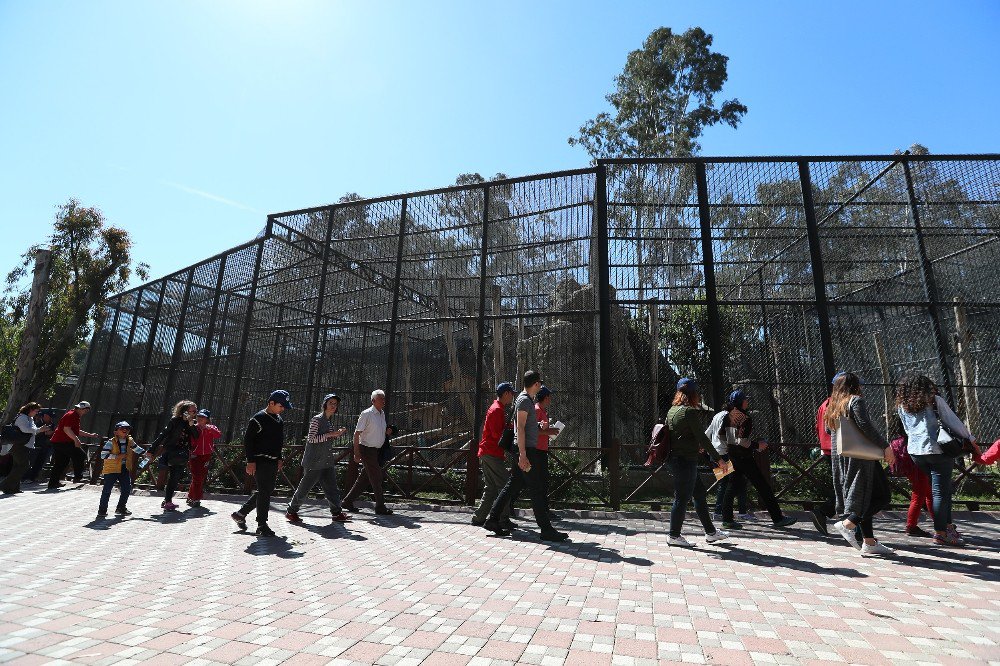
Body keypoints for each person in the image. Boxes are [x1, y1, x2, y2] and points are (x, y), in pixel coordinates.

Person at [483, 371, 568, 542]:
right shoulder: (523, 400)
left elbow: (524, 424)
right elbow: (519, 428)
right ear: (536, 384)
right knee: (536, 488)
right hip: (525, 450)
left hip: (524, 449)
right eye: (540, 384)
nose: (540, 387)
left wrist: (537, 424)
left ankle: (492, 519)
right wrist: (522, 454)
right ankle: (546, 529)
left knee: (513, 484)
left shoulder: (525, 400)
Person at [896, 374, 978, 547]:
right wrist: (970, 439)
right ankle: (941, 533)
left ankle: (947, 528)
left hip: (916, 453)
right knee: (940, 492)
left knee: (943, 490)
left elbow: (907, 429)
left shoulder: (902, 406)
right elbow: (953, 422)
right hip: (938, 450)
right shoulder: (934, 401)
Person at [825, 372, 895, 557]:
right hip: (862, 457)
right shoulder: (855, 401)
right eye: (859, 385)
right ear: (853, 386)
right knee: (882, 496)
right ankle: (849, 524)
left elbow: (827, 429)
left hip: (843, 456)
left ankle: (869, 542)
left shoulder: (832, 405)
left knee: (868, 497)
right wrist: (885, 447)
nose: (861, 388)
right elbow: (865, 426)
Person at [717, 390, 797, 531]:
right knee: (763, 486)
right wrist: (757, 445)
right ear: (741, 402)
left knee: (731, 487)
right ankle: (778, 518)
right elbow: (741, 440)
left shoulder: (728, 416)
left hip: (732, 456)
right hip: (745, 458)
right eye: (745, 399)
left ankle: (727, 520)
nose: (747, 401)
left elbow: (723, 437)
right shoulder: (745, 418)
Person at [663, 378, 729, 547]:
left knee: (699, 494)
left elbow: (677, 436)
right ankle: (674, 535)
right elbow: (702, 437)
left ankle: (711, 533)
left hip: (677, 459)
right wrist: (719, 459)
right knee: (682, 498)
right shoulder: (689, 412)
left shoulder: (672, 410)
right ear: (693, 394)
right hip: (685, 461)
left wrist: (693, 445)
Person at [232, 390, 292, 536]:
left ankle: (241, 513)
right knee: (265, 491)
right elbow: (248, 441)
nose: (283, 409)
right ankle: (261, 525)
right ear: (271, 403)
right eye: (281, 405)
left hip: (272, 460)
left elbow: (279, 441)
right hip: (260, 461)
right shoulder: (257, 419)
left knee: (266, 491)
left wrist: (279, 458)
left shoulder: (279, 419)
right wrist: (250, 461)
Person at [286, 393, 350, 524]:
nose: (333, 406)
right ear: (325, 404)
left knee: (332, 488)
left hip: (326, 461)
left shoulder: (328, 421)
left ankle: (337, 513)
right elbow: (311, 439)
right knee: (305, 488)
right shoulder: (317, 419)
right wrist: (330, 434)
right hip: (314, 461)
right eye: (331, 403)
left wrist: (337, 434)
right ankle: (291, 511)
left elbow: (327, 438)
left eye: (335, 404)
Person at [471, 383, 515, 526]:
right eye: (511, 393)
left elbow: (499, 430)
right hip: (492, 452)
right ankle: (503, 519)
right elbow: (497, 434)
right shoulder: (497, 410)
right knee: (505, 485)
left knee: (490, 488)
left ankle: (479, 518)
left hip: (487, 451)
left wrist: (509, 428)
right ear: (506, 394)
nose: (513, 396)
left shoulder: (497, 408)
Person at [342, 390, 392, 515]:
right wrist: (356, 452)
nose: (383, 401)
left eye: (384, 398)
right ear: (373, 400)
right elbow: (357, 433)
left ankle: (347, 501)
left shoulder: (382, 414)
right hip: (366, 449)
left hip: (376, 451)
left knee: (364, 479)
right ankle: (380, 506)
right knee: (377, 477)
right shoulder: (367, 414)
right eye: (381, 399)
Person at [146, 400, 199, 511]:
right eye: (193, 411)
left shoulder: (191, 423)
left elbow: (196, 436)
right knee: (173, 475)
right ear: (185, 411)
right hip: (172, 451)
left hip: (183, 453)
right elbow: (163, 435)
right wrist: (151, 449)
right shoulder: (175, 421)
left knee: (175, 477)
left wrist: (191, 424)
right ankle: (168, 501)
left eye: (195, 411)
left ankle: (167, 500)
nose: (195, 413)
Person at [47, 401, 99, 489]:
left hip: (59, 441)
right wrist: (76, 440)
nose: (85, 412)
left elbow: (75, 431)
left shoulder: (74, 415)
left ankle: (53, 483)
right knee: (81, 455)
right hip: (63, 441)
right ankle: (78, 477)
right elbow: (67, 429)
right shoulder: (72, 415)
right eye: (85, 410)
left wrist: (90, 435)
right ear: (83, 409)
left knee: (61, 462)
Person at [1, 403, 51, 494]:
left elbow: (33, 430)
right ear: (30, 409)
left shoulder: (29, 418)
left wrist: (39, 429)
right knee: (24, 466)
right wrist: (40, 430)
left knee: (17, 466)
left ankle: (14, 488)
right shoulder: (22, 418)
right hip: (19, 445)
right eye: (35, 411)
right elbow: (26, 430)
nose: (36, 413)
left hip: (24, 445)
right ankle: (5, 485)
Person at [97, 421, 138, 518]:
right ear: (116, 432)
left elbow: (137, 448)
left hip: (124, 468)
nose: (125, 430)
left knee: (127, 488)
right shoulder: (111, 442)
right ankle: (102, 510)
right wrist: (118, 456)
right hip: (111, 469)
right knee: (107, 490)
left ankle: (121, 508)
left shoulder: (130, 440)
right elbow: (103, 455)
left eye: (127, 428)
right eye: (122, 428)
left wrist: (147, 453)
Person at [187, 409, 221, 507]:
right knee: (197, 476)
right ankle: (196, 499)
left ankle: (190, 497)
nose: (200, 419)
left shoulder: (211, 427)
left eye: (203, 417)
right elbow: (191, 441)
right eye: (199, 416)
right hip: (195, 455)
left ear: (207, 419)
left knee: (200, 477)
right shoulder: (194, 428)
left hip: (206, 455)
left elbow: (218, 435)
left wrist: (209, 428)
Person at [23, 410, 55, 484]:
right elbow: (34, 433)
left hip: (46, 446)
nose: (51, 419)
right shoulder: (37, 423)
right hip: (36, 446)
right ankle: (26, 478)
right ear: (45, 416)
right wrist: (44, 432)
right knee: (31, 462)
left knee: (40, 463)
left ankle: (33, 477)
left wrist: (51, 432)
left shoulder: (51, 424)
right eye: (50, 417)